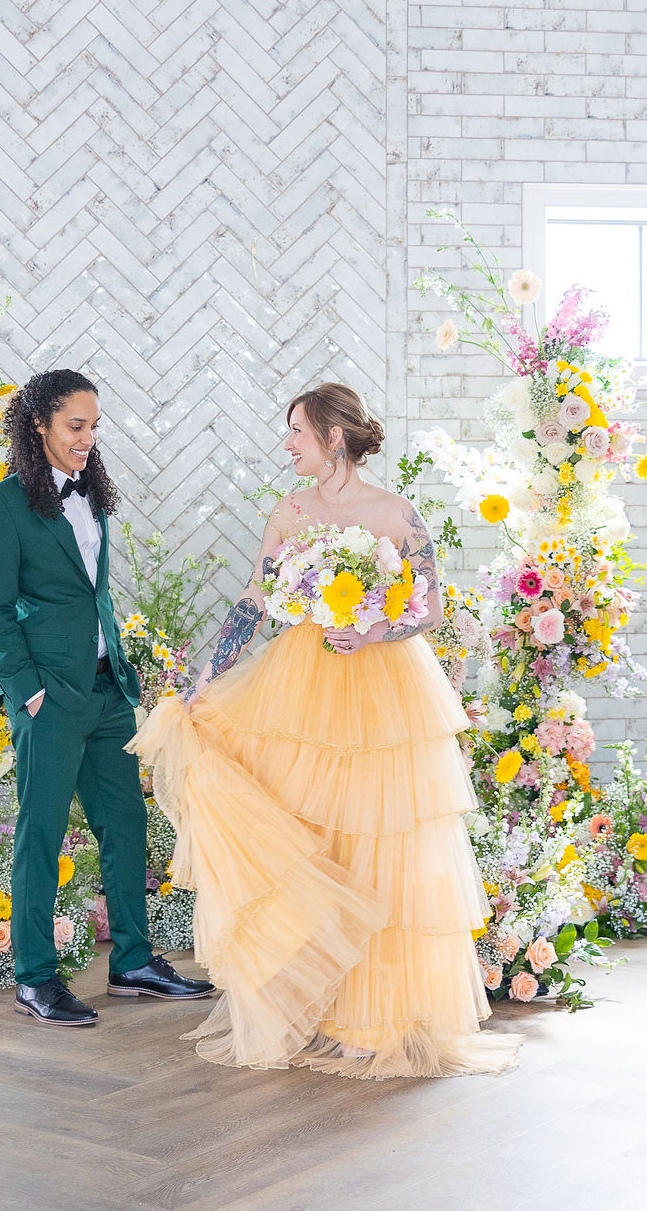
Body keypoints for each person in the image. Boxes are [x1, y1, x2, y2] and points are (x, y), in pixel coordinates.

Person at [128, 382, 519, 1078]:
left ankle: (379, 1015)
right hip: (300, 685)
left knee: (382, 845)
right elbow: (255, 598)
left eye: (297, 433)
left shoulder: (398, 513)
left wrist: (375, 627)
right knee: (314, 834)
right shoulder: (292, 510)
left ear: (334, 437)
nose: (288, 446)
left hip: (382, 685)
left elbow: (428, 608)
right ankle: (322, 1006)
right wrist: (206, 676)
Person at [0, 368, 215, 1027]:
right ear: (39, 425)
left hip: (109, 689)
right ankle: (35, 977)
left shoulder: (95, 496)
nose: (88, 438)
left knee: (125, 825)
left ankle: (134, 960)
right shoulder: (0, 507)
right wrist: (30, 693)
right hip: (50, 697)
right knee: (41, 834)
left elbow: (93, 594)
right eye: (76, 426)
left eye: (94, 426)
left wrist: (121, 670)